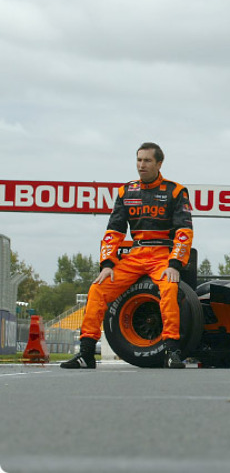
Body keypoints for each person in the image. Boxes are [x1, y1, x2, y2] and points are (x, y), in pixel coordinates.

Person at [61, 142, 194, 369]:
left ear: (159, 163)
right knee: (98, 288)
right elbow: (114, 230)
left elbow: (184, 231)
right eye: (139, 160)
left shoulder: (176, 191)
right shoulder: (126, 191)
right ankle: (86, 353)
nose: (141, 165)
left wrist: (174, 264)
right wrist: (106, 264)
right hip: (135, 254)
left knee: (169, 288)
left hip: (163, 253)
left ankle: (172, 351)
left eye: (147, 160)